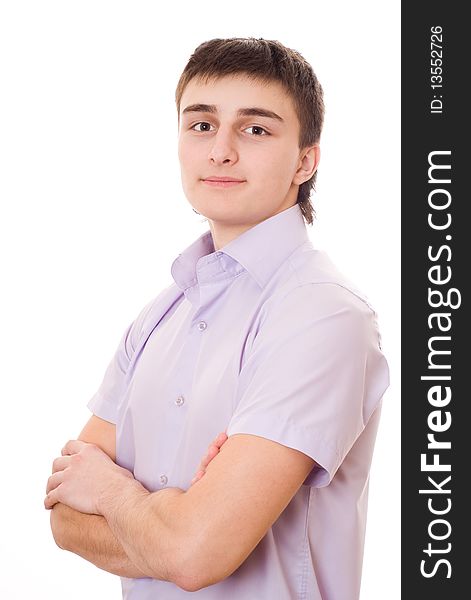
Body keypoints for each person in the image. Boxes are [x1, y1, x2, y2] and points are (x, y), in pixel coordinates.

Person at [45, 37, 390, 599]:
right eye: (201, 125)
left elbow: (196, 553)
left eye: (256, 129)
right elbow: (62, 517)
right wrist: (173, 521)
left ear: (305, 159)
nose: (221, 151)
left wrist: (111, 493)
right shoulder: (159, 314)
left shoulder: (323, 315)